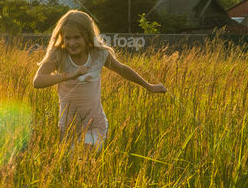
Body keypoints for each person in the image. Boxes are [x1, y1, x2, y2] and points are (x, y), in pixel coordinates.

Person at [32, 11, 166, 148]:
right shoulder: (58, 55)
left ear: (87, 36)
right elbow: (38, 81)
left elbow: (122, 69)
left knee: (86, 152)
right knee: (72, 166)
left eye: (77, 37)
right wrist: (70, 75)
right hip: (68, 127)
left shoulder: (99, 54)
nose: (71, 43)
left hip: (95, 124)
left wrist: (150, 86)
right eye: (67, 38)